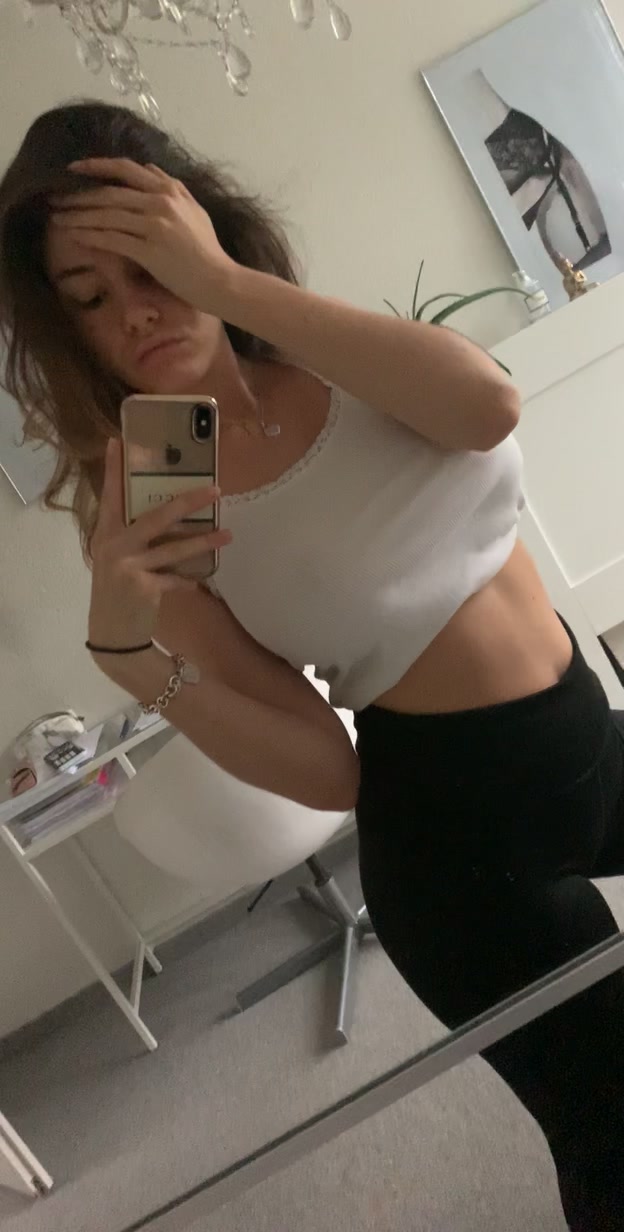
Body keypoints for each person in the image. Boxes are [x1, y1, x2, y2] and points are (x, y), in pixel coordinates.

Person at [0, 101, 623, 1231]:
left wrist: (224, 286)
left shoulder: (317, 348)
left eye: (149, 263)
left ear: (201, 228)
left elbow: (487, 406)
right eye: (90, 299)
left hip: (586, 736)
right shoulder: (158, 494)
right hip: (461, 852)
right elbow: (330, 770)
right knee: (615, 1129)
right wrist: (130, 657)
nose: (135, 311)